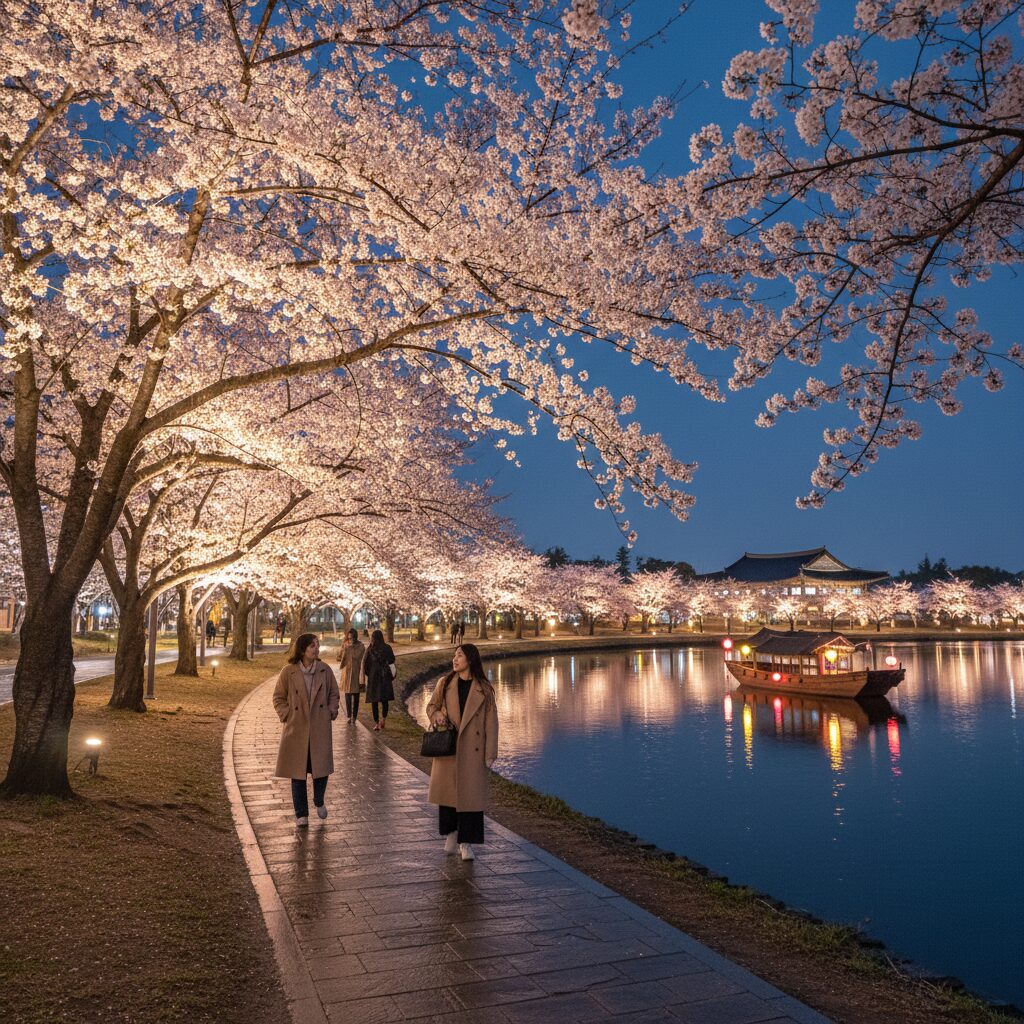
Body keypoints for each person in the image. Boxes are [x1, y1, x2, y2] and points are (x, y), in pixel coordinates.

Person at [425, 643, 498, 861]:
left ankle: (466, 843)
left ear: (470, 660)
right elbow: (431, 706)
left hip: (473, 751)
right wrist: (437, 715)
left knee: (471, 799)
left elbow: (491, 723)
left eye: (459, 656)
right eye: (454, 656)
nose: (454, 659)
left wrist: (490, 753)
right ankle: (451, 833)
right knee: (447, 795)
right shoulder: (445, 683)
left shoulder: (484, 689)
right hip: (449, 747)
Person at [272, 633, 340, 826]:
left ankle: (319, 800)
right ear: (302, 649)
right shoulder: (288, 672)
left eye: (317, 645)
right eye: (312, 646)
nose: (316, 649)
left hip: (319, 725)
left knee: (321, 768)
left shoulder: (324, 670)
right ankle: (301, 814)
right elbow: (278, 697)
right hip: (297, 727)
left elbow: (334, 693)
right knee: (297, 772)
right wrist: (287, 715)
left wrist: (331, 711)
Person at [362, 628, 395, 731]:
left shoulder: (370, 649)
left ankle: (376, 723)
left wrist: (370, 673)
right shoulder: (387, 648)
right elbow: (392, 660)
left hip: (374, 677)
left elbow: (365, 663)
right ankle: (383, 720)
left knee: (374, 700)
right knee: (385, 700)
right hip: (385, 676)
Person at [337, 627, 365, 724]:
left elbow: (357, 656)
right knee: (347, 695)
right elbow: (339, 657)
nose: (350, 640)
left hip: (356, 672)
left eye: (352, 638)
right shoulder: (345, 644)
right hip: (347, 672)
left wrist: (349, 649)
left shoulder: (360, 646)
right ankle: (349, 716)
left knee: (356, 695)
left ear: (355, 637)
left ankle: (354, 716)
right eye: (349, 638)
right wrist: (343, 650)